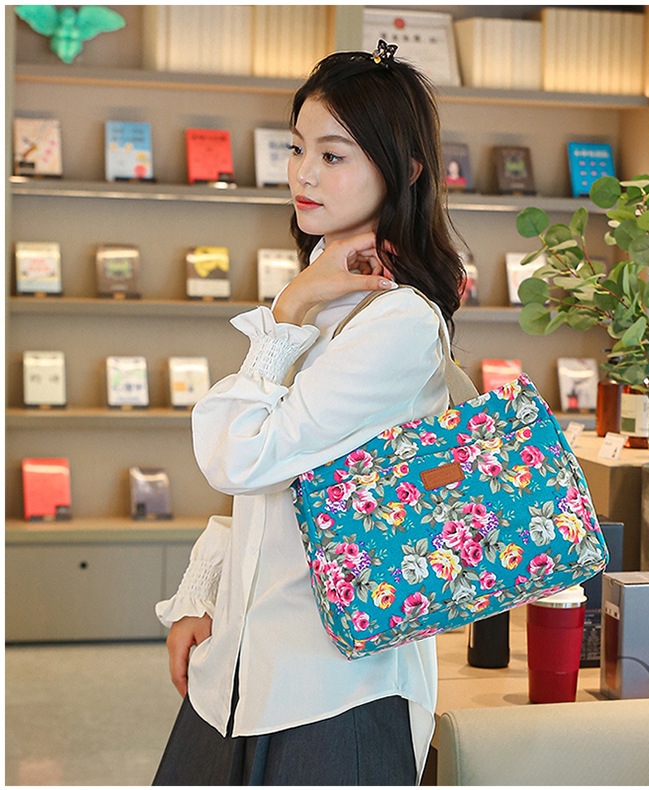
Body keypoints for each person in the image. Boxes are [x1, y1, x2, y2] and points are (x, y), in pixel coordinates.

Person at [153, 42, 466, 786]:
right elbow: (272, 487)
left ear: (405, 170)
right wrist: (205, 591)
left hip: (334, 692)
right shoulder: (329, 294)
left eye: (333, 155)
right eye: (297, 148)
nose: (303, 174)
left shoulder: (397, 322)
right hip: (240, 672)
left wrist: (286, 309)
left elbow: (240, 456)